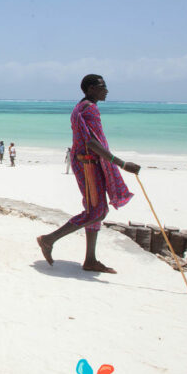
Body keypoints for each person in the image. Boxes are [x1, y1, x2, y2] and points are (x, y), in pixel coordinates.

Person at [36, 75, 140, 274]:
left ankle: (90, 259)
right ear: (91, 88)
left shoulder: (81, 107)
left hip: (85, 162)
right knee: (97, 212)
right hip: (88, 164)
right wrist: (122, 164)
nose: (107, 90)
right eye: (103, 86)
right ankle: (49, 239)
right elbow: (92, 142)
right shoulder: (89, 109)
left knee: (97, 210)